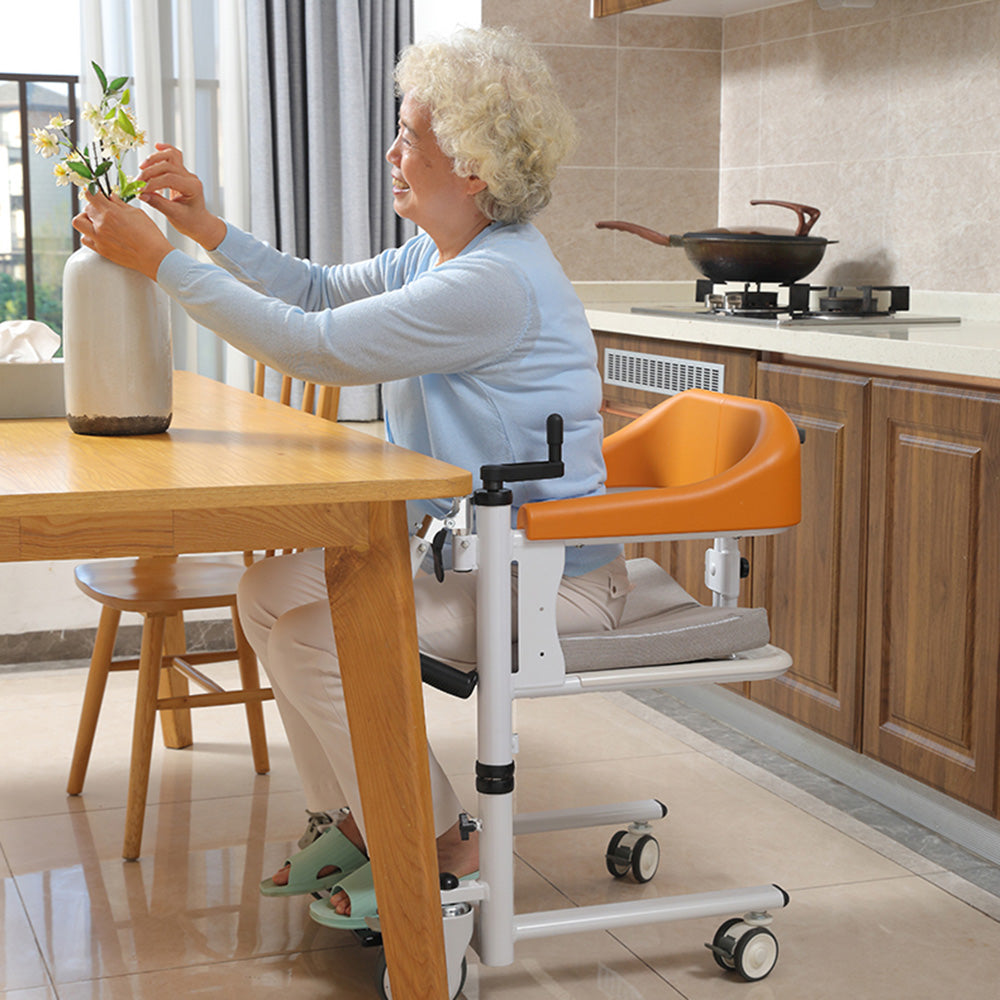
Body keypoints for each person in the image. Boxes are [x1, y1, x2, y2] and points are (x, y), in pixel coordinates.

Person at [73, 25, 631, 929]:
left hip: (548, 577)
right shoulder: (439, 253)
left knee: (311, 639)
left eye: (411, 135)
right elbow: (320, 293)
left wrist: (160, 262)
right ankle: (367, 822)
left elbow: (316, 350)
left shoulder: (494, 282)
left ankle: (445, 839)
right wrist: (201, 228)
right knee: (264, 592)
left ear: (477, 166)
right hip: (467, 554)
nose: (391, 152)